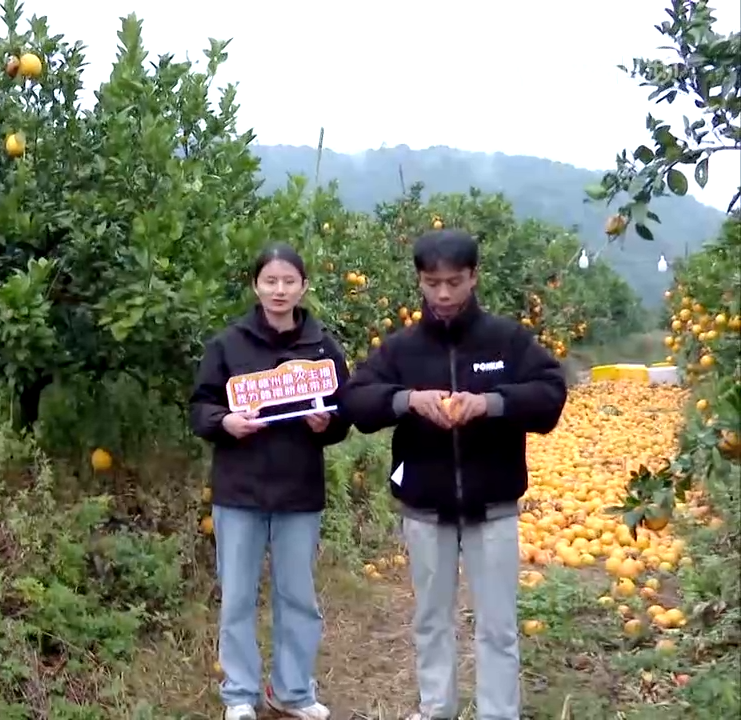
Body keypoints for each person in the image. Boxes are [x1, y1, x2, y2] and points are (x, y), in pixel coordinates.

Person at [340, 229, 568, 720]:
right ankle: (436, 708)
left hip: (494, 505)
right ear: (419, 281)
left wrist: (492, 403)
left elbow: (550, 395)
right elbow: (357, 400)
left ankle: (498, 713)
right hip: (425, 505)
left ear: (473, 278)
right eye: (432, 283)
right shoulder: (401, 348)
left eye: (454, 282)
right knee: (430, 620)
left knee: (498, 625)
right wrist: (407, 400)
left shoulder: (507, 339)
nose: (443, 294)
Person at [188, 243, 352, 720]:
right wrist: (225, 423)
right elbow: (200, 407)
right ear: (255, 285)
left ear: (303, 286)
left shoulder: (323, 347)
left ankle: (293, 691)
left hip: (299, 490)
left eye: (289, 281)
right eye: (270, 281)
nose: (279, 290)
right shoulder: (228, 345)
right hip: (240, 490)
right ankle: (240, 693)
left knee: (297, 595)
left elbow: (346, 413)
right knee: (237, 594)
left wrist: (330, 424)